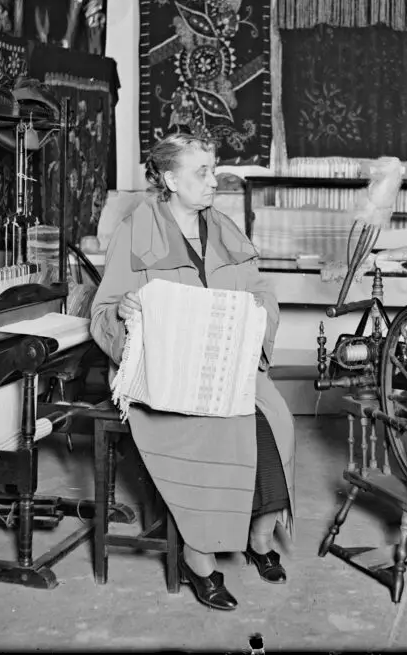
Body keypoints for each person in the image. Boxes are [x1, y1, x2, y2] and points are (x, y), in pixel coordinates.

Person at [90, 133, 295, 612]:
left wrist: (255, 315)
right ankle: (199, 562)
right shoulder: (136, 230)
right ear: (168, 179)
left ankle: (258, 539)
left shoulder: (221, 226)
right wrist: (125, 312)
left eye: (214, 167)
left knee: (274, 424)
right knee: (211, 439)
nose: (213, 180)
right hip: (168, 379)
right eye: (201, 171)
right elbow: (101, 314)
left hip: (227, 365)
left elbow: (261, 290)